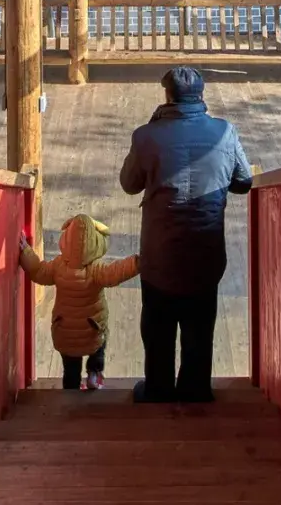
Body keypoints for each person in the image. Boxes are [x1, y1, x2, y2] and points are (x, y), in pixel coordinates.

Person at [119, 66, 252, 404]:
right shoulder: (225, 132)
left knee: (158, 329)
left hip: (159, 256)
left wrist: (153, 133)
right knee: (199, 329)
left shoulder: (146, 136)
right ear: (201, 95)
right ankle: (195, 390)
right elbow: (244, 182)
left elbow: (129, 184)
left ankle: (158, 390)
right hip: (206, 254)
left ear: (168, 96)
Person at [19, 214, 139, 390]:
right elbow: (117, 272)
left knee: (70, 369)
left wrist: (26, 252)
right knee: (99, 345)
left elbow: (38, 271)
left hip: (65, 330)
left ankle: (70, 393)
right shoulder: (96, 269)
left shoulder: (58, 266)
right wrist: (137, 263)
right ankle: (94, 374)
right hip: (92, 328)